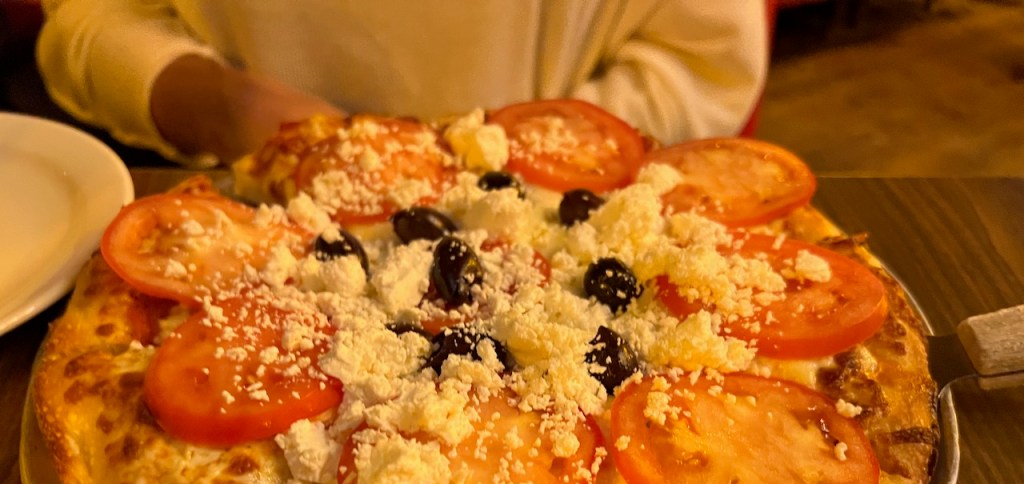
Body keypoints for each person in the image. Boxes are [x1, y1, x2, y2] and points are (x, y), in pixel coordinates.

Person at [36, 0, 768, 166]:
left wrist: (523, 155)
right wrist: (220, 104)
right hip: (244, 186)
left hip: (574, 202)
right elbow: (86, 18)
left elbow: (702, 60)